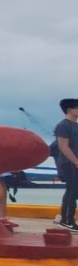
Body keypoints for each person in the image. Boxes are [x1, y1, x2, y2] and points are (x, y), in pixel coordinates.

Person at [52, 99, 78, 231]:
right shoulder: (63, 125)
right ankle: (66, 221)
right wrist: (76, 161)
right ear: (70, 110)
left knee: (75, 192)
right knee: (72, 191)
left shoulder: (75, 125)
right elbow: (63, 146)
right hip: (69, 163)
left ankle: (66, 218)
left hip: (74, 162)